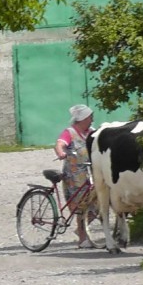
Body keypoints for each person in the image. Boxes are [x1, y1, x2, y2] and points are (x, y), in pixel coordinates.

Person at [54, 104, 97, 249]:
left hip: (90, 172)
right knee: (80, 205)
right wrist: (61, 152)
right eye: (90, 117)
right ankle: (82, 238)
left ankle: (81, 229)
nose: (92, 120)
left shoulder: (91, 132)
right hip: (74, 175)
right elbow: (60, 144)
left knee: (97, 204)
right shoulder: (70, 132)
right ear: (83, 118)